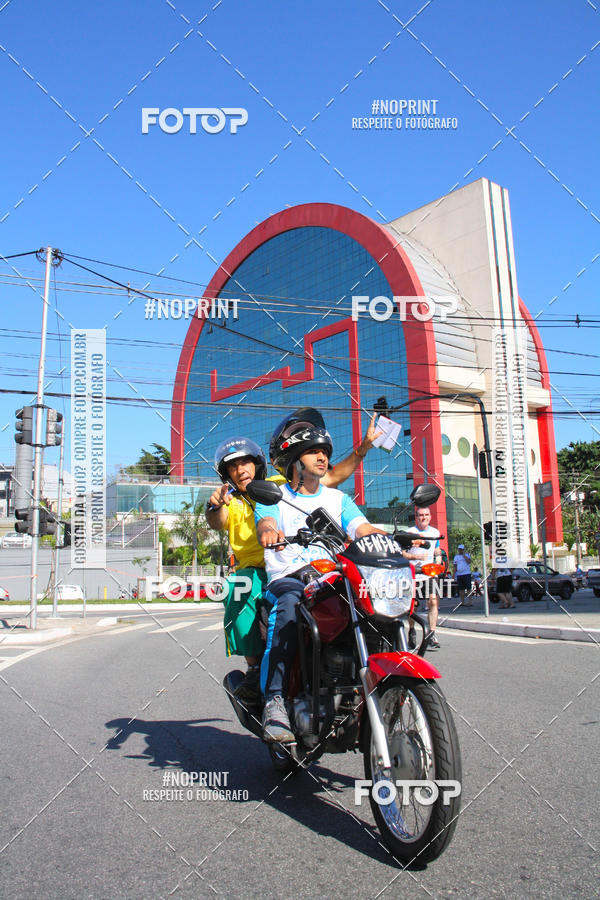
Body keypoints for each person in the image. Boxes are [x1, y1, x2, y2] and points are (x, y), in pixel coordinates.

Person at [206, 413, 381, 701]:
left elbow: (332, 478)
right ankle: (255, 672)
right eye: (233, 467)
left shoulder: (279, 483)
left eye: (244, 462)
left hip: (312, 564)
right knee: (239, 589)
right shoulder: (232, 500)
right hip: (262, 568)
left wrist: (363, 448)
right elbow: (219, 520)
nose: (240, 470)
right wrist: (214, 507)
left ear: (258, 464)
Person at [255, 409, 388, 743]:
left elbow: (361, 528)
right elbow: (266, 523)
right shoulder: (276, 496)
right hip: (290, 577)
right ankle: (274, 700)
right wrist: (270, 531)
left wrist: (386, 538)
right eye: (314, 451)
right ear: (293, 460)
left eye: (325, 451)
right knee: (288, 603)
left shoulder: (337, 498)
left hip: (330, 577)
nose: (322, 457)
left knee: (372, 604)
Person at [402, 507, 442, 650]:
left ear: (430, 517)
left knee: (432, 601)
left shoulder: (435, 532)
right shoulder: (409, 533)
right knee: (414, 606)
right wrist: (416, 557)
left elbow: (437, 550)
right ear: (416, 517)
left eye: (426, 515)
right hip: (414, 574)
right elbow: (404, 554)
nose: (423, 517)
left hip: (429, 573)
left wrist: (439, 558)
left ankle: (431, 634)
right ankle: (412, 630)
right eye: (420, 515)